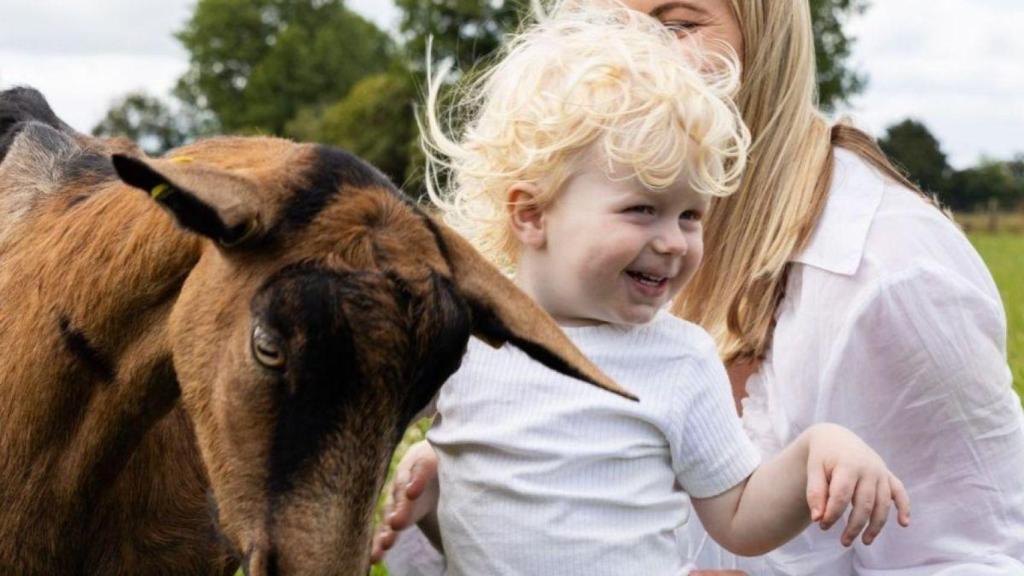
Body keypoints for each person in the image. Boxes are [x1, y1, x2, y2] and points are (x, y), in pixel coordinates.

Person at [380, 0, 1024, 574]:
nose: (634, 61)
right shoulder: (481, 330)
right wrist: (453, 493)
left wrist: (813, 456)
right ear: (531, 213)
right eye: (602, 26)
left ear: (766, 33)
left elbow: (973, 554)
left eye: (676, 25)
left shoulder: (887, 269)